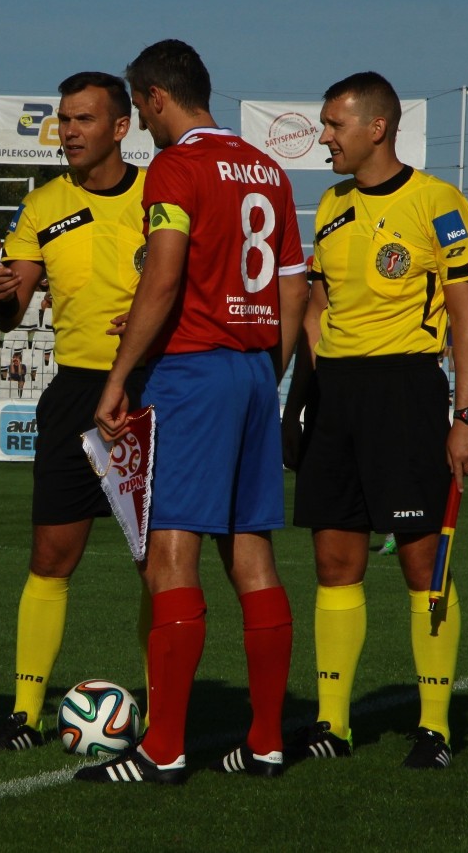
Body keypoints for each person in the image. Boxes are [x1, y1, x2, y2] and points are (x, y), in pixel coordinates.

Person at [80, 39, 308, 784]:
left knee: (173, 550)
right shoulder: (267, 169)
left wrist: (120, 374)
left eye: (140, 107)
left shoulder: (176, 167)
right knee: (252, 554)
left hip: (194, 373)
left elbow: (166, 269)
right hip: (252, 368)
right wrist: (260, 364)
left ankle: (165, 748)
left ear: (151, 98)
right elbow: (292, 284)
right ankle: (268, 740)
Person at [283, 71, 468, 770]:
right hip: (336, 394)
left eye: (335, 125)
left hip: (406, 389)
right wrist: (299, 397)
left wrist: (464, 414)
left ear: (377, 127)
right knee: (334, 561)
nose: (325, 137)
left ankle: (435, 726)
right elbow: (314, 306)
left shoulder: (439, 202)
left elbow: (466, 316)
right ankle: (331, 723)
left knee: (421, 560)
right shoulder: (332, 205)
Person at [0, 71, 149, 751]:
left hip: (149, 390)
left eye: (83, 119)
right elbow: (6, 317)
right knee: (51, 555)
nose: (69, 132)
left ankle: (162, 709)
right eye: (63, 119)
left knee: (156, 561)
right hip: (74, 391)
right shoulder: (43, 202)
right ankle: (24, 714)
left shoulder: (161, 194)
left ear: (119, 128)